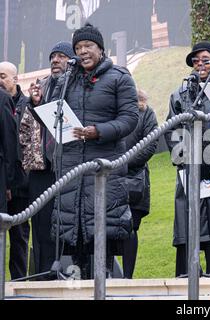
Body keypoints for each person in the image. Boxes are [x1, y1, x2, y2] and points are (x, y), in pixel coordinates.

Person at [49, 23, 139, 279]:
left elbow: (129, 119)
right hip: (71, 166)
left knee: (102, 231)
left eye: (88, 46)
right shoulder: (68, 78)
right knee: (73, 232)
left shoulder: (120, 77)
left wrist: (98, 131)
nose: (83, 51)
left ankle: (104, 282)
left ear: (101, 48)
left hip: (104, 167)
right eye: (78, 47)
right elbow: (55, 112)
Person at [164, 41, 210, 277]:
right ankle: (186, 276)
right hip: (188, 168)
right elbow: (171, 129)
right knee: (187, 220)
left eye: (206, 60)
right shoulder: (179, 93)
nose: (201, 64)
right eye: (196, 60)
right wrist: (184, 158)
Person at [20, 41, 75, 277]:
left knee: (67, 224)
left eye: (61, 56)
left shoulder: (77, 86)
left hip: (68, 168)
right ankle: (43, 274)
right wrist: (33, 104)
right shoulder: (40, 87)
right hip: (41, 168)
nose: (55, 60)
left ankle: (72, 273)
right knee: (41, 226)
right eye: (53, 56)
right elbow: (26, 127)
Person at [123, 89, 158, 279]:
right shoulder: (107, 110)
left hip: (134, 180)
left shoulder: (146, 113)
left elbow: (150, 144)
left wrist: (121, 164)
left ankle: (127, 278)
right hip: (107, 179)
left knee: (130, 228)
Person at [0, 61, 30, 279]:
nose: (0, 80)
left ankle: (19, 278)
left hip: (20, 178)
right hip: (4, 176)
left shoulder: (29, 104)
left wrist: (13, 181)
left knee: (19, 233)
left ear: (15, 78)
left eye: (3, 76)